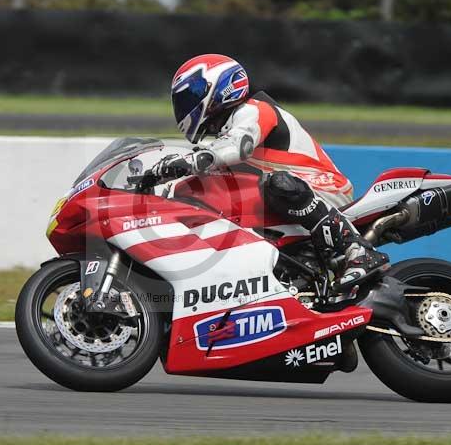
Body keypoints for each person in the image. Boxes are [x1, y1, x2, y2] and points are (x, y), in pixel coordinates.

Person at [160, 53, 389, 291]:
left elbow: (238, 145)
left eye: (193, 94)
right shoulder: (227, 131)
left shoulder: (255, 110)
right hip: (285, 200)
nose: (187, 103)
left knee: (279, 183)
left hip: (322, 188)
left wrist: (193, 159)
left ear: (219, 87)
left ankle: (357, 250)